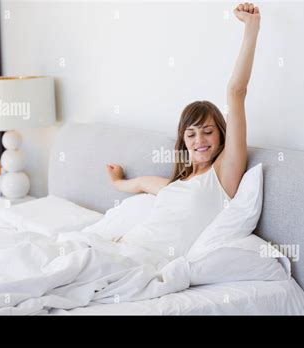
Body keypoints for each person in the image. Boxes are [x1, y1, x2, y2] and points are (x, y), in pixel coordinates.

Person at [106, 3, 261, 252]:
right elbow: (140, 184)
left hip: (145, 260)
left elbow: (236, 91)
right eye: (191, 134)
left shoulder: (222, 175)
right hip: (121, 247)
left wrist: (251, 28)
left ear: (222, 138)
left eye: (207, 131)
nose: (199, 139)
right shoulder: (174, 185)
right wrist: (116, 182)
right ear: (184, 142)